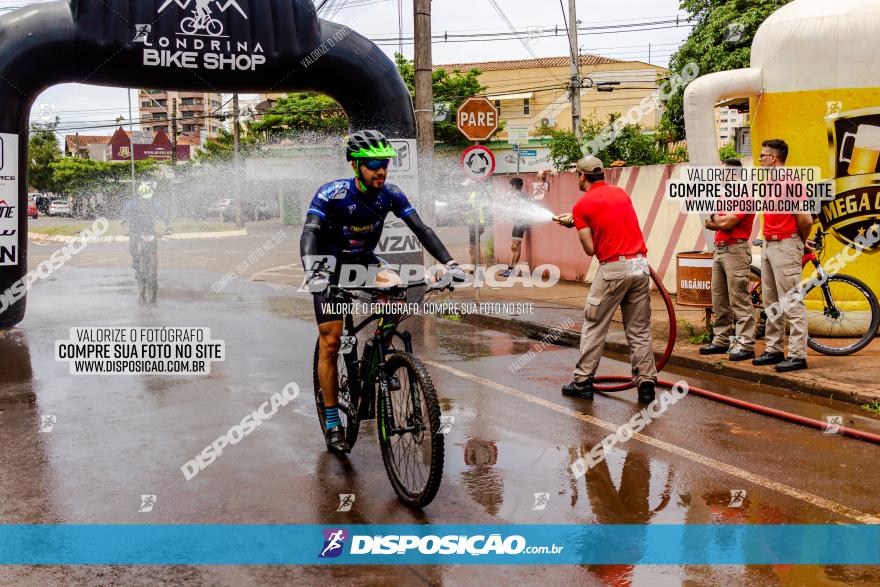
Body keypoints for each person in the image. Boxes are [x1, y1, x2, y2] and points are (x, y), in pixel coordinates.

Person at [300, 130, 465, 454]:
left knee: (397, 287)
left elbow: (421, 229)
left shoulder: (390, 194)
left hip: (365, 262)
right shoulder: (332, 194)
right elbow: (310, 233)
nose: (381, 170)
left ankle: (378, 349)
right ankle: (333, 421)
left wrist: (450, 262)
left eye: (385, 163)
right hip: (327, 267)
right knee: (331, 342)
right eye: (374, 163)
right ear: (356, 165)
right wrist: (313, 272)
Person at [553, 156, 657, 404]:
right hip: (640, 266)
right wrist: (579, 221)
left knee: (594, 323)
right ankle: (646, 386)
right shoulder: (621, 193)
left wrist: (578, 223)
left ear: (581, 176)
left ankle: (582, 382)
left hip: (613, 269)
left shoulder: (582, 205)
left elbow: (590, 249)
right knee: (639, 329)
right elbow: (609, 221)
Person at [751, 139, 812, 372]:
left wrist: (800, 241)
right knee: (771, 302)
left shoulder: (789, 181)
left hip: (786, 245)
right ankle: (774, 350)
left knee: (792, 302)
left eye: (762, 156)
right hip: (769, 245)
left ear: (774, 158)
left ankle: (797, 355)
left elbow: (805, 219)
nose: (759, 160)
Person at [700, 158, 756, 361]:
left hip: (736, 251)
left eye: (722, 172)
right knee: (719, 299)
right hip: (720, 250)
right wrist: (720, 221)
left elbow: (728, 221)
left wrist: (719, 221)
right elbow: (710, 221)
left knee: (739, 299)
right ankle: (721, 340)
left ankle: (744, 345)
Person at [121, 181, 172, 282]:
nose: (146, 200)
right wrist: (124, 224)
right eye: (144, 198)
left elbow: (163, 214)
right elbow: (125, 214)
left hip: (149, 229)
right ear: (139, 195)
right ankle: (136, 264)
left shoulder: (154, 203)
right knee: (133, 247)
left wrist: (168, 226)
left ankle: (154, 265)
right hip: (135, 229)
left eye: (148, 198)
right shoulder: (132, 203)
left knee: (153, 248)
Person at [501, 177, 530, 278]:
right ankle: (509, 269)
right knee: (513, 246)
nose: (510, 188)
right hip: (516, 223)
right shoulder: (515, 196)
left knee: (516, 246)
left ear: (514, 186)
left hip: (521, 224)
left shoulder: (522, 196)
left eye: (511, 186)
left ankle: (512, 270)